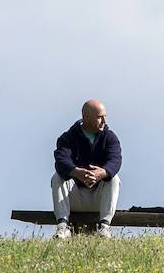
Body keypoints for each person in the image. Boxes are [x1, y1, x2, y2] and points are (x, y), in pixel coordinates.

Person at [51, 99, 122, 239]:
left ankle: (105, 227)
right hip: (74, 200)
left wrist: (102, 173)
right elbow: (61, 161)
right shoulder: (68, 138)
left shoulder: (110, 138)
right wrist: (76, 172)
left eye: (105, 117)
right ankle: (63, 227)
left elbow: (115, 160)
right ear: (86, 117)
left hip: (99, 200)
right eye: (99, 117)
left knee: (114, 178)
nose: (104, 121)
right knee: (57, 177)